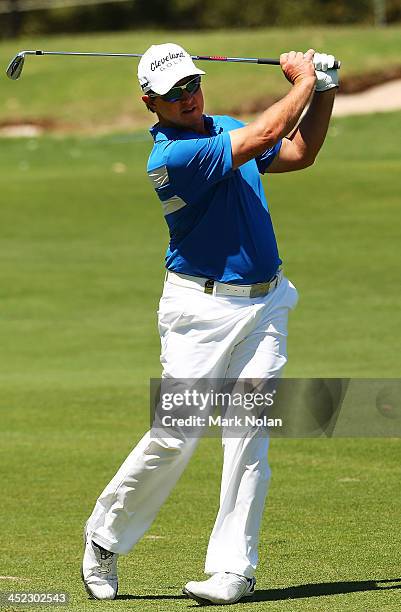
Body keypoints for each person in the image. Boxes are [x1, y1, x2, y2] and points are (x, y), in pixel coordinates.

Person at [82, 42, 338, 605]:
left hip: (266, 304)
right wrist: (302, 79)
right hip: (199, 312)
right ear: (151, 101)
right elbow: (267, 135)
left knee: (249, 437)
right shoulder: (171, 160)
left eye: (193, 84)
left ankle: (232, 570)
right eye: (174, 92)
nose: (189, 96)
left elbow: (298, 152)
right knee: (176, 434)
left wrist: (324, 90)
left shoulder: (220, 127)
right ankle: (104, 536)